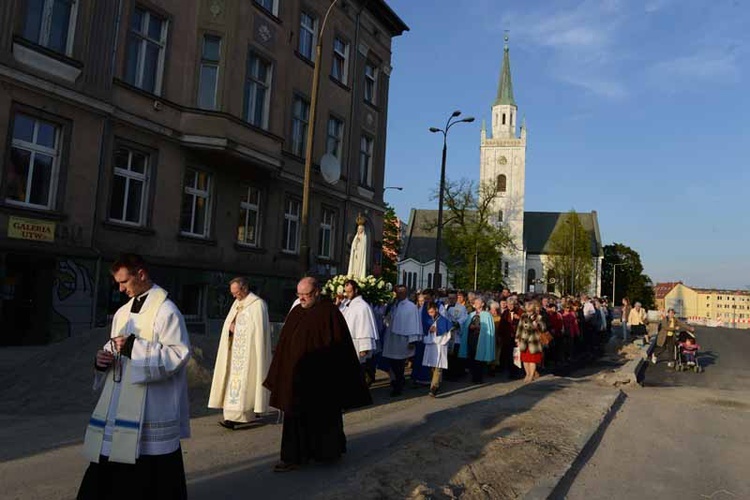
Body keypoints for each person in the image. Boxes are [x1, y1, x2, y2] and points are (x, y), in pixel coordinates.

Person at [78, 254, 190, 500]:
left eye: (124, 282)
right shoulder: (122, 313)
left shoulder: (167, 312)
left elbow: (178, 355)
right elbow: (115, 347)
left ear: (141, 275)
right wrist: (102, 361)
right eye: (117, 283)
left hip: (151, 408)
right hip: (118, 406)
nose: (120, 289)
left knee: (149, 475)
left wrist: (133, 348)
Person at [263, 277, 371, 472]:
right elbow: (284, 345)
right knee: (294, 417)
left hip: (322, 378)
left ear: (316, 293)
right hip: (296, 378)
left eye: (306, 295)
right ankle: (293, 457)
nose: (302, 299)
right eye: (299, 295)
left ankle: (328, 452)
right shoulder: (296, 311)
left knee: (324, 417)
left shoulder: (329, 312)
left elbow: (340, 346)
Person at [208, 277, 272, 430]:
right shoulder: (237, 303)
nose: (234, 296)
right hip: (234, 353)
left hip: (249, 354)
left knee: (247, 384)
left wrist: (238, 329)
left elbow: (259, 332)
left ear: (244, 289)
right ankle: (233, 416)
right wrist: (229, 328)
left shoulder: (258, 305)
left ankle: (237, 417)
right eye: (232, 293)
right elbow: (228, 324)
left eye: (236, 293)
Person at [382, 285, 422, 396]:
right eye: (397, 292)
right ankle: (397, 380)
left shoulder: (411, 306)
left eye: (400, 292)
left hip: (402, 339)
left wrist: (412, 340)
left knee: (399, 364)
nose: (398, 294)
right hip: (392, 337)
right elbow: (387, 319)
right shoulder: (394, 304)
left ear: (405, 293)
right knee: (392, 362)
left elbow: (414, 324)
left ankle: (398, 385)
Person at [340, 279, 379, 367]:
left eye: (349, 292)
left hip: (357, 345)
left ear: (356, 290)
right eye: (346, 292)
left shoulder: (362, 306)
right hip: (348, 343)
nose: (347, 294)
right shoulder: (350, 304)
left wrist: (364, 347)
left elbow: (365, 327)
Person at [459, 296, 495, 384]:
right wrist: (469, 326)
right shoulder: (471, 314)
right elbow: (466, 326)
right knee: (471, 357)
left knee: (480, 359)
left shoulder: (487, 315)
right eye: (475, 303)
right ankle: (473, 376)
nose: (476, 304)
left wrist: (479, 328)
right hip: (471, 339)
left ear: (482, 304)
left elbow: (489, 329)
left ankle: (479, 377)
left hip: (481, 340)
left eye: (478, 303)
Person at [422, 302, 453, 397]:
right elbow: (425, 332)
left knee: (438, 367)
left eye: (432, 312)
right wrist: (429, 330)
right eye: (429, 312)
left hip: (440, 346)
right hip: (431, 346)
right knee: (432, 366)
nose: (430, 314)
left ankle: (433, 388)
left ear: (436, 309)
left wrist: (438, 330)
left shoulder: (443, 320)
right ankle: (437, 384)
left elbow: (448, 333)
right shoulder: (428, 320)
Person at [516, 300, 547, 383]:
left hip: (534, 341)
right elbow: (519, 327)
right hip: (523, 340)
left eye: (530, 311)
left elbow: (544, 328)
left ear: (533, 310)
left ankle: (531, 375)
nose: (528, 312)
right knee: (525, 359)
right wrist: (517, 338)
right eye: (527, 311)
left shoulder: (538, 317)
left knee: (532, 360)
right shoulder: (523, 316)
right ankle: (527, 374)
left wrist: (538, 324)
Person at [444, 290, 468, 380]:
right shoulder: (445, 307)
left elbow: (464, 318)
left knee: (455, 356)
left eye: (453, 298)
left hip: (456, 334)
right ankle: (447, 373)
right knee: (447, 355)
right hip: (447, 334)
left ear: (456, 298)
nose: (451, 300)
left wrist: (457, 323)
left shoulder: (462, 308)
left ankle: (455, 374)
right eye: (449, 298)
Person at [488, 301, 503, 376]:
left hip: (496, 338)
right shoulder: (488, 317)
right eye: (491, 309)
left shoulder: (500, 318)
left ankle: (493, 368)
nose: (492, 311)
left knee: (496, 353)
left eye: (493, 309)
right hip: (489, 338)